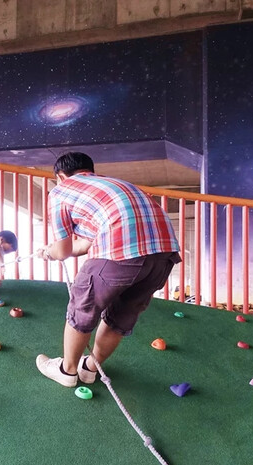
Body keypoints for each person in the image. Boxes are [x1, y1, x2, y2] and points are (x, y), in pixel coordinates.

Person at [35, 152, 181, 387]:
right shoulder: (116, 185)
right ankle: (89, 369)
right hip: (164, 257)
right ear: (89, 170)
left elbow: (62, 251)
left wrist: (50, 252)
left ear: (61, 176)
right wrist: (56, 250)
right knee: (121, 316)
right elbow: (84, 244)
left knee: (83, 305)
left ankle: (67, 370)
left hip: (121, 251)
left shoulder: (62, 190)